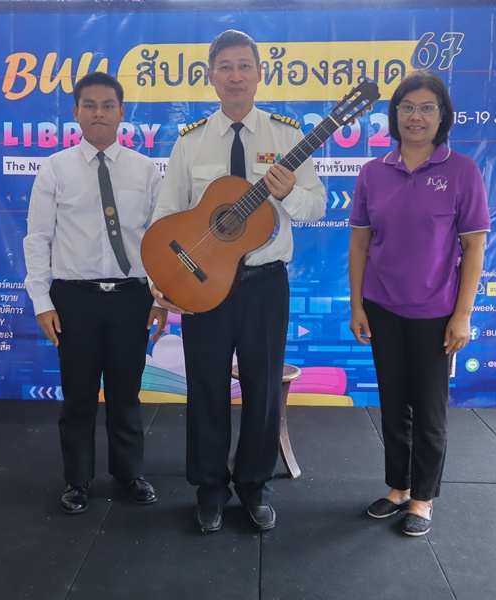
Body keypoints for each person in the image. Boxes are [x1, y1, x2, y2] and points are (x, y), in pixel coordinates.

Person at [150, 29, 326, 533]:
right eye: (225, 67)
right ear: (211, 76)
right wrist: (161, 280)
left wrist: (289, 194)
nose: (235, 76)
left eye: (244, 65)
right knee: (206, 386)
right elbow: (166, 215)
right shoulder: (191, 142)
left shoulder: (287, 137)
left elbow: (315, 207)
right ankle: (209, 490)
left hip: (264, 283)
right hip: (203, 283)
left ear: (259, 74)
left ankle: (255, 487)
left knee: (263, 388)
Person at [348, 70, 490, 536]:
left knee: (429, 411)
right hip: (382, 307)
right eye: (407, 107)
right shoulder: (373, 172)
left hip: (436, 313)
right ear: (394, 115)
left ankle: (423, 498)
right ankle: (399, 487)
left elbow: (474, 247)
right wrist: (357, 305)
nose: (416, 116)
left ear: (442, 115)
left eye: (427, 107)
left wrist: (463, 315)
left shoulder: (462, 171)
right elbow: (360, 245)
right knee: (393, 406)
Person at [23, 71, 167, 515]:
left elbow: (159, 240)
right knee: (79, 395)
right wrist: (42, 301)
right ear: (76, 113)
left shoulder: (146, 170)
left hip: (132, 298)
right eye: (89, 105)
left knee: (126, 393)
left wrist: (159, 298)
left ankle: (129, 474)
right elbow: (37, 238)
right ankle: (78, 480)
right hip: (74, 299)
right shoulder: (55, 168)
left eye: (107, 105)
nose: (98, 113)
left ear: (122, 112)